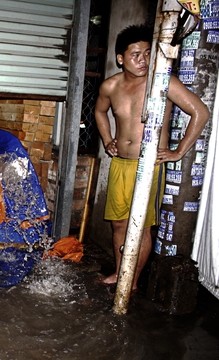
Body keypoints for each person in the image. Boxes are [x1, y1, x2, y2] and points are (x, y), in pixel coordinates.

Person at [94, 24, 209, 291]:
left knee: (141, 226)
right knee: (118, 224)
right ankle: (120, 273)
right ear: (120, 58)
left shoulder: (162, 82)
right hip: (120, 163)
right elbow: (100, 112)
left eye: (147, 53)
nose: (143, 60)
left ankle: (131, 281)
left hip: (149, 166)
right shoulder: (111, 86)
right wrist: (106, 139)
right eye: (135, 54)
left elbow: (200, 112)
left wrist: (179, 151)